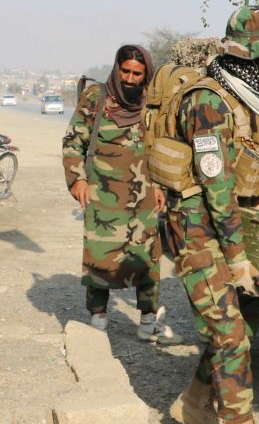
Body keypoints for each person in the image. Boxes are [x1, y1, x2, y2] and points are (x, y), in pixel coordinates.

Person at [155, 5, 259, 424]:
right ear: (244, 58)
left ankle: (194, 401)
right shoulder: (208, 103)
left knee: (246, 320)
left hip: (235, 222)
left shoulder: (253, 98)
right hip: (197, 228)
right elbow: (215, 188)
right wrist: (235, 259)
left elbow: (246, 179)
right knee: (230, 334)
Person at [62, 45, 178, 345]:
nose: (129, 78)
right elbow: (74, 142)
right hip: (102, 192)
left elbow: (163, 148)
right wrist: (78, 181)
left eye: (136, 73)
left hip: (144, 195)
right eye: (124, 71)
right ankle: (97, 318)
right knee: (100, 254)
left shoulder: (153, 104)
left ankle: (147, 321)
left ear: (146, 74)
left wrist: (161, 186)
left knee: (147, 256)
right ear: (116, 69)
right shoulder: (96, 98)